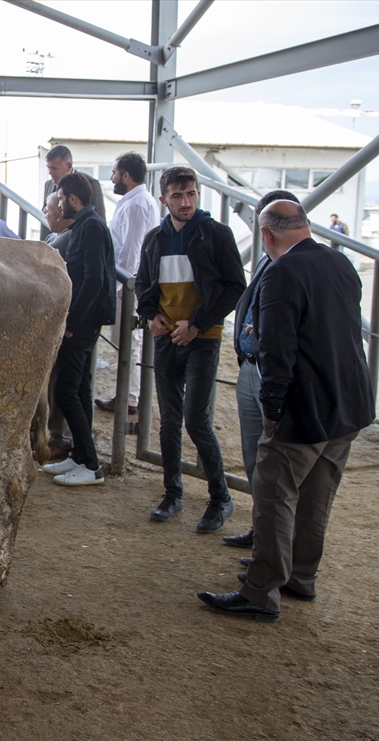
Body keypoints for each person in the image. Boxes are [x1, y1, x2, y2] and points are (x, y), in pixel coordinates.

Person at [197, 200, 374, 623]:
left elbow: (277, 351)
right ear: (304, 226)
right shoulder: (340, 262)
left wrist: (273, 408)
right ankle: (300, 576)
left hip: (304, 407)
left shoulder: (281, 272)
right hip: (348, 404)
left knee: (275, 496)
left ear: (267, 235)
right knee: (316, 497)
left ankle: (260, 592)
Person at [135, 165, 245, 532]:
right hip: (167, 338)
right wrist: (150, 315)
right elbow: (143, 283)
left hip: (203, 339)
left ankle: (221, 498)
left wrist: (197, 324)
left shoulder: (216, 234)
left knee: (196, 421)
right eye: (178, 195)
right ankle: (172, 493)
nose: (186, 202)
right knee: (169, 421)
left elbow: (235, 287)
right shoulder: (155, 238)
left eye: (192, 193)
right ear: (163, 199)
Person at [221, 189, 302, 552]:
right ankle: (262, 531)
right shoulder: (270, 262)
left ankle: (279, 545)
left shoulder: (299, 266)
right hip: (251, 367)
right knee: (255, 458)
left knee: (279, 465)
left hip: (274, 374)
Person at [40, 172, 115, 486]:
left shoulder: (92, 226)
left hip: (82, 323)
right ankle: (81, 456)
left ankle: (92, 465)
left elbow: (94, 280)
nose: (58, 206)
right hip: (83, 321)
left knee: (65, 391)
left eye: (60, 199)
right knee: (80, 390)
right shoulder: (85, 225)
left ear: (72, 198)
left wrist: (72, 322)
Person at [96, 152, 160, 416]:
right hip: (128, 283)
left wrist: (121, 288)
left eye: (114, 173)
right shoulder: (136, 201)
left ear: (126, 175)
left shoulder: (137, 204)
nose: (112, 178)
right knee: (130, 342)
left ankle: (130, 397)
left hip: (128, 285)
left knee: (130, 341)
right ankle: (130, 394)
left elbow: (132, 252)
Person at [43, 190, 74, 459]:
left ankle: (61, 439)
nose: (45, 212)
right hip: (53, 321)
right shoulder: (53, 238)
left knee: (62, 383)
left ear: (60, 211)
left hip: (64, 323)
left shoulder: (68, 239)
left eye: (48, 208)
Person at [42, 145, 106, 224]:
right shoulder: (48, 185)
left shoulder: (91, 184)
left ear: (69, 166)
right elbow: (45, 218)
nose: (50, 172)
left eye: (54, 168)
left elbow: (100, 220)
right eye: (48, 168)